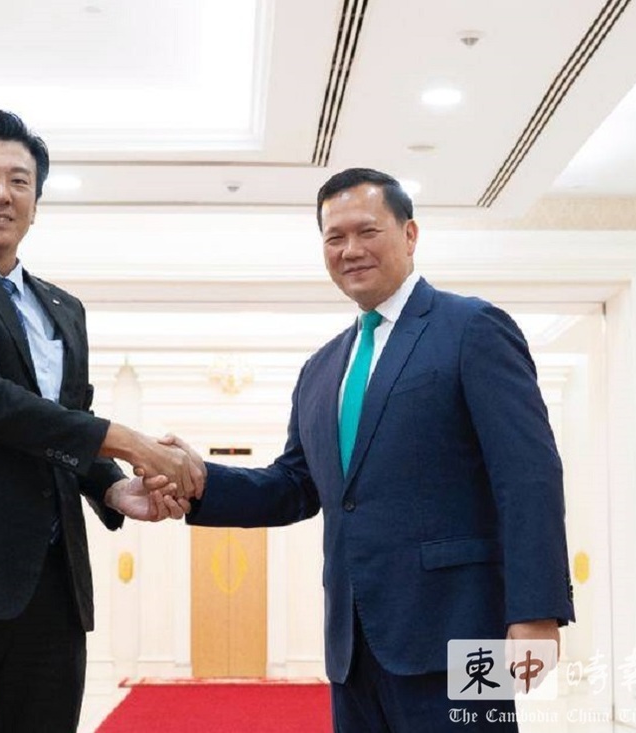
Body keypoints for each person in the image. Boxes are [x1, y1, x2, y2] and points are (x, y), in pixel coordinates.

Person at [170, 168, 574, 731]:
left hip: (457, 631)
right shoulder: (320, 369)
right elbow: (294, 486)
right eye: (334, 238)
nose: (350, 250)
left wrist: (537, 610)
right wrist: (196, 482)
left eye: (367, 231)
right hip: (352, 644)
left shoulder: (471, 328)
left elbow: (527, 474)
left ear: (410, 234)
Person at [0, 108, 201, 733]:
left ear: (36, 204)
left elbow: (65, 418)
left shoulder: (63, 308)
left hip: (53, 584)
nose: (3, 193)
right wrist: (130, 442)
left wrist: (111, 486)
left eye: (20, 181)